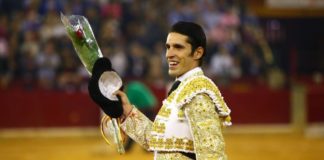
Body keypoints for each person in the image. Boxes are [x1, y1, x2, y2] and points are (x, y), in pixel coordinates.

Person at [111, 21, 231, 159]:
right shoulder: (182, 89)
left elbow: (212, 155)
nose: (169, 54)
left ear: (197, 53)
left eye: (178, 47)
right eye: (168, 47)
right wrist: (127, 111)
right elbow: (158, 142)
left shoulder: (198, 94)